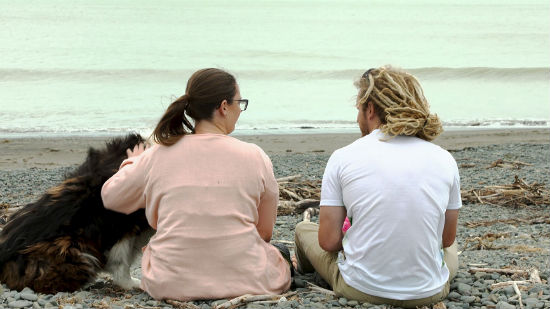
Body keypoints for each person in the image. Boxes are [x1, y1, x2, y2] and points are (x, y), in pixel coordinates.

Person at [101, 68, 291, 301]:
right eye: (239, 103)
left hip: (168, 282)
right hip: (248, 280)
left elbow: (111, 196)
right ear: (224, 106)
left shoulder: (157, 155)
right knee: (280, 255)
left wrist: (134, 162)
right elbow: (264, 233)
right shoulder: (255, 156)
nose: (240, 110)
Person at [294, 66, 461, 308]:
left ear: (370, 109)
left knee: (302, 229)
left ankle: (308, 274)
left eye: (359, 111)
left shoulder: (343, 157)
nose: (357, 119)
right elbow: (446, 239)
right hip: (430, 291)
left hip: (359, 288)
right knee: (452, 246)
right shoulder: (444, 158)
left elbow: (329, 242)